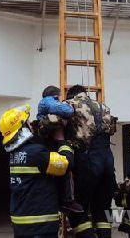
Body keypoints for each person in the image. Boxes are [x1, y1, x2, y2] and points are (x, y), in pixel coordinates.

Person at [0, 104, 74, 238]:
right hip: (39, 226)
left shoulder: (15, 154)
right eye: (27, 122)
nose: (31, 124)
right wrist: (62, 141)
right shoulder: (36, 153)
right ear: (23, 127)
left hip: (21, 224)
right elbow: (66, 164)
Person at [64, 85, 118, 238]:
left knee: (77, 209)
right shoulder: (103, 106)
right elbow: (112, 129)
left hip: (88, 160)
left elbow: (52, 121)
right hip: (107, 160)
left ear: (71, 95)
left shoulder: (71, 104)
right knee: (102, 209)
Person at [37, 85, 82, 213]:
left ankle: (64, 201)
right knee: (64, 167)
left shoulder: (46, 102)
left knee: (61, 170)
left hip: (50, 139)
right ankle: (66, 201)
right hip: (52, 141)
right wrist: (68, 106)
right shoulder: (48, 101)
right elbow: (67, 111)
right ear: (56, 95)